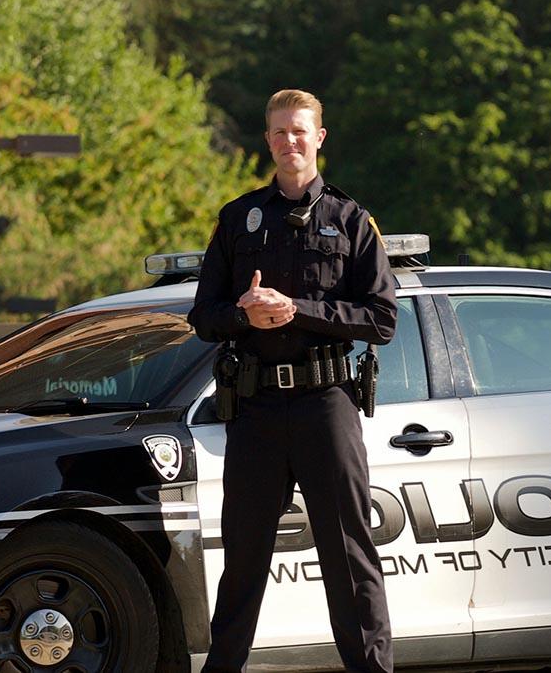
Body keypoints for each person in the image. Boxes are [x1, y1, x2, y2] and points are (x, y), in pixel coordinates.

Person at [188, 89, 396, 673]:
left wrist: (297, 310)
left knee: (348, 556)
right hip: (255, 408)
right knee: (243, 560)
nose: (290, 142)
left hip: (324, 405)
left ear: (320, 137)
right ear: (268, 140)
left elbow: (382, 319)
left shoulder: (351, 220)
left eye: (300, 131)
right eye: (279, 133)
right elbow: (202, 317)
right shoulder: (238, 219)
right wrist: (243, 315)